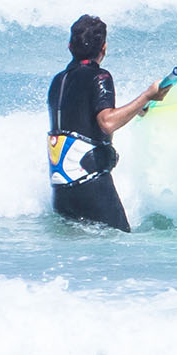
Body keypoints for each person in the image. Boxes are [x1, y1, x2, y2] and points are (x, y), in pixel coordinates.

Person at [46, 14, 163, 231]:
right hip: (90, 186)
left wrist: (138, 108)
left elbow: (80, 118)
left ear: (70, 46)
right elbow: (107, 122)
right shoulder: (100, 77)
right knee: (118, 249)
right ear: (104, 48)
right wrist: (147, 96)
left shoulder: (58, 81)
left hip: (62, 190)